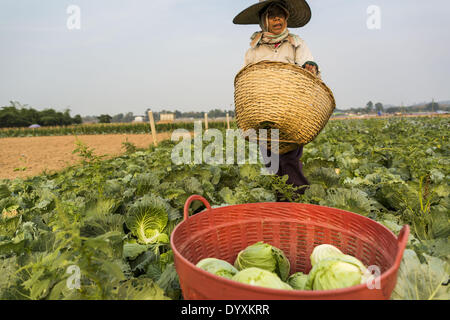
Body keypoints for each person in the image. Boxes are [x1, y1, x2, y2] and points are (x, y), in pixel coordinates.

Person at [233, 0, 320, 200]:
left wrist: (310, 68)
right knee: (270, 158)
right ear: (264, 21)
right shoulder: (254, 49)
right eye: (272, 16)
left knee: (290, 156)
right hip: (264, 111)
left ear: (286, 18)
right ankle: (280, 202)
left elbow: (308, 63)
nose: (277, 19)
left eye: (280, 15)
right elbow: (246, 77)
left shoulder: (296, 43)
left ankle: (299, 200)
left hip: (291, 111)